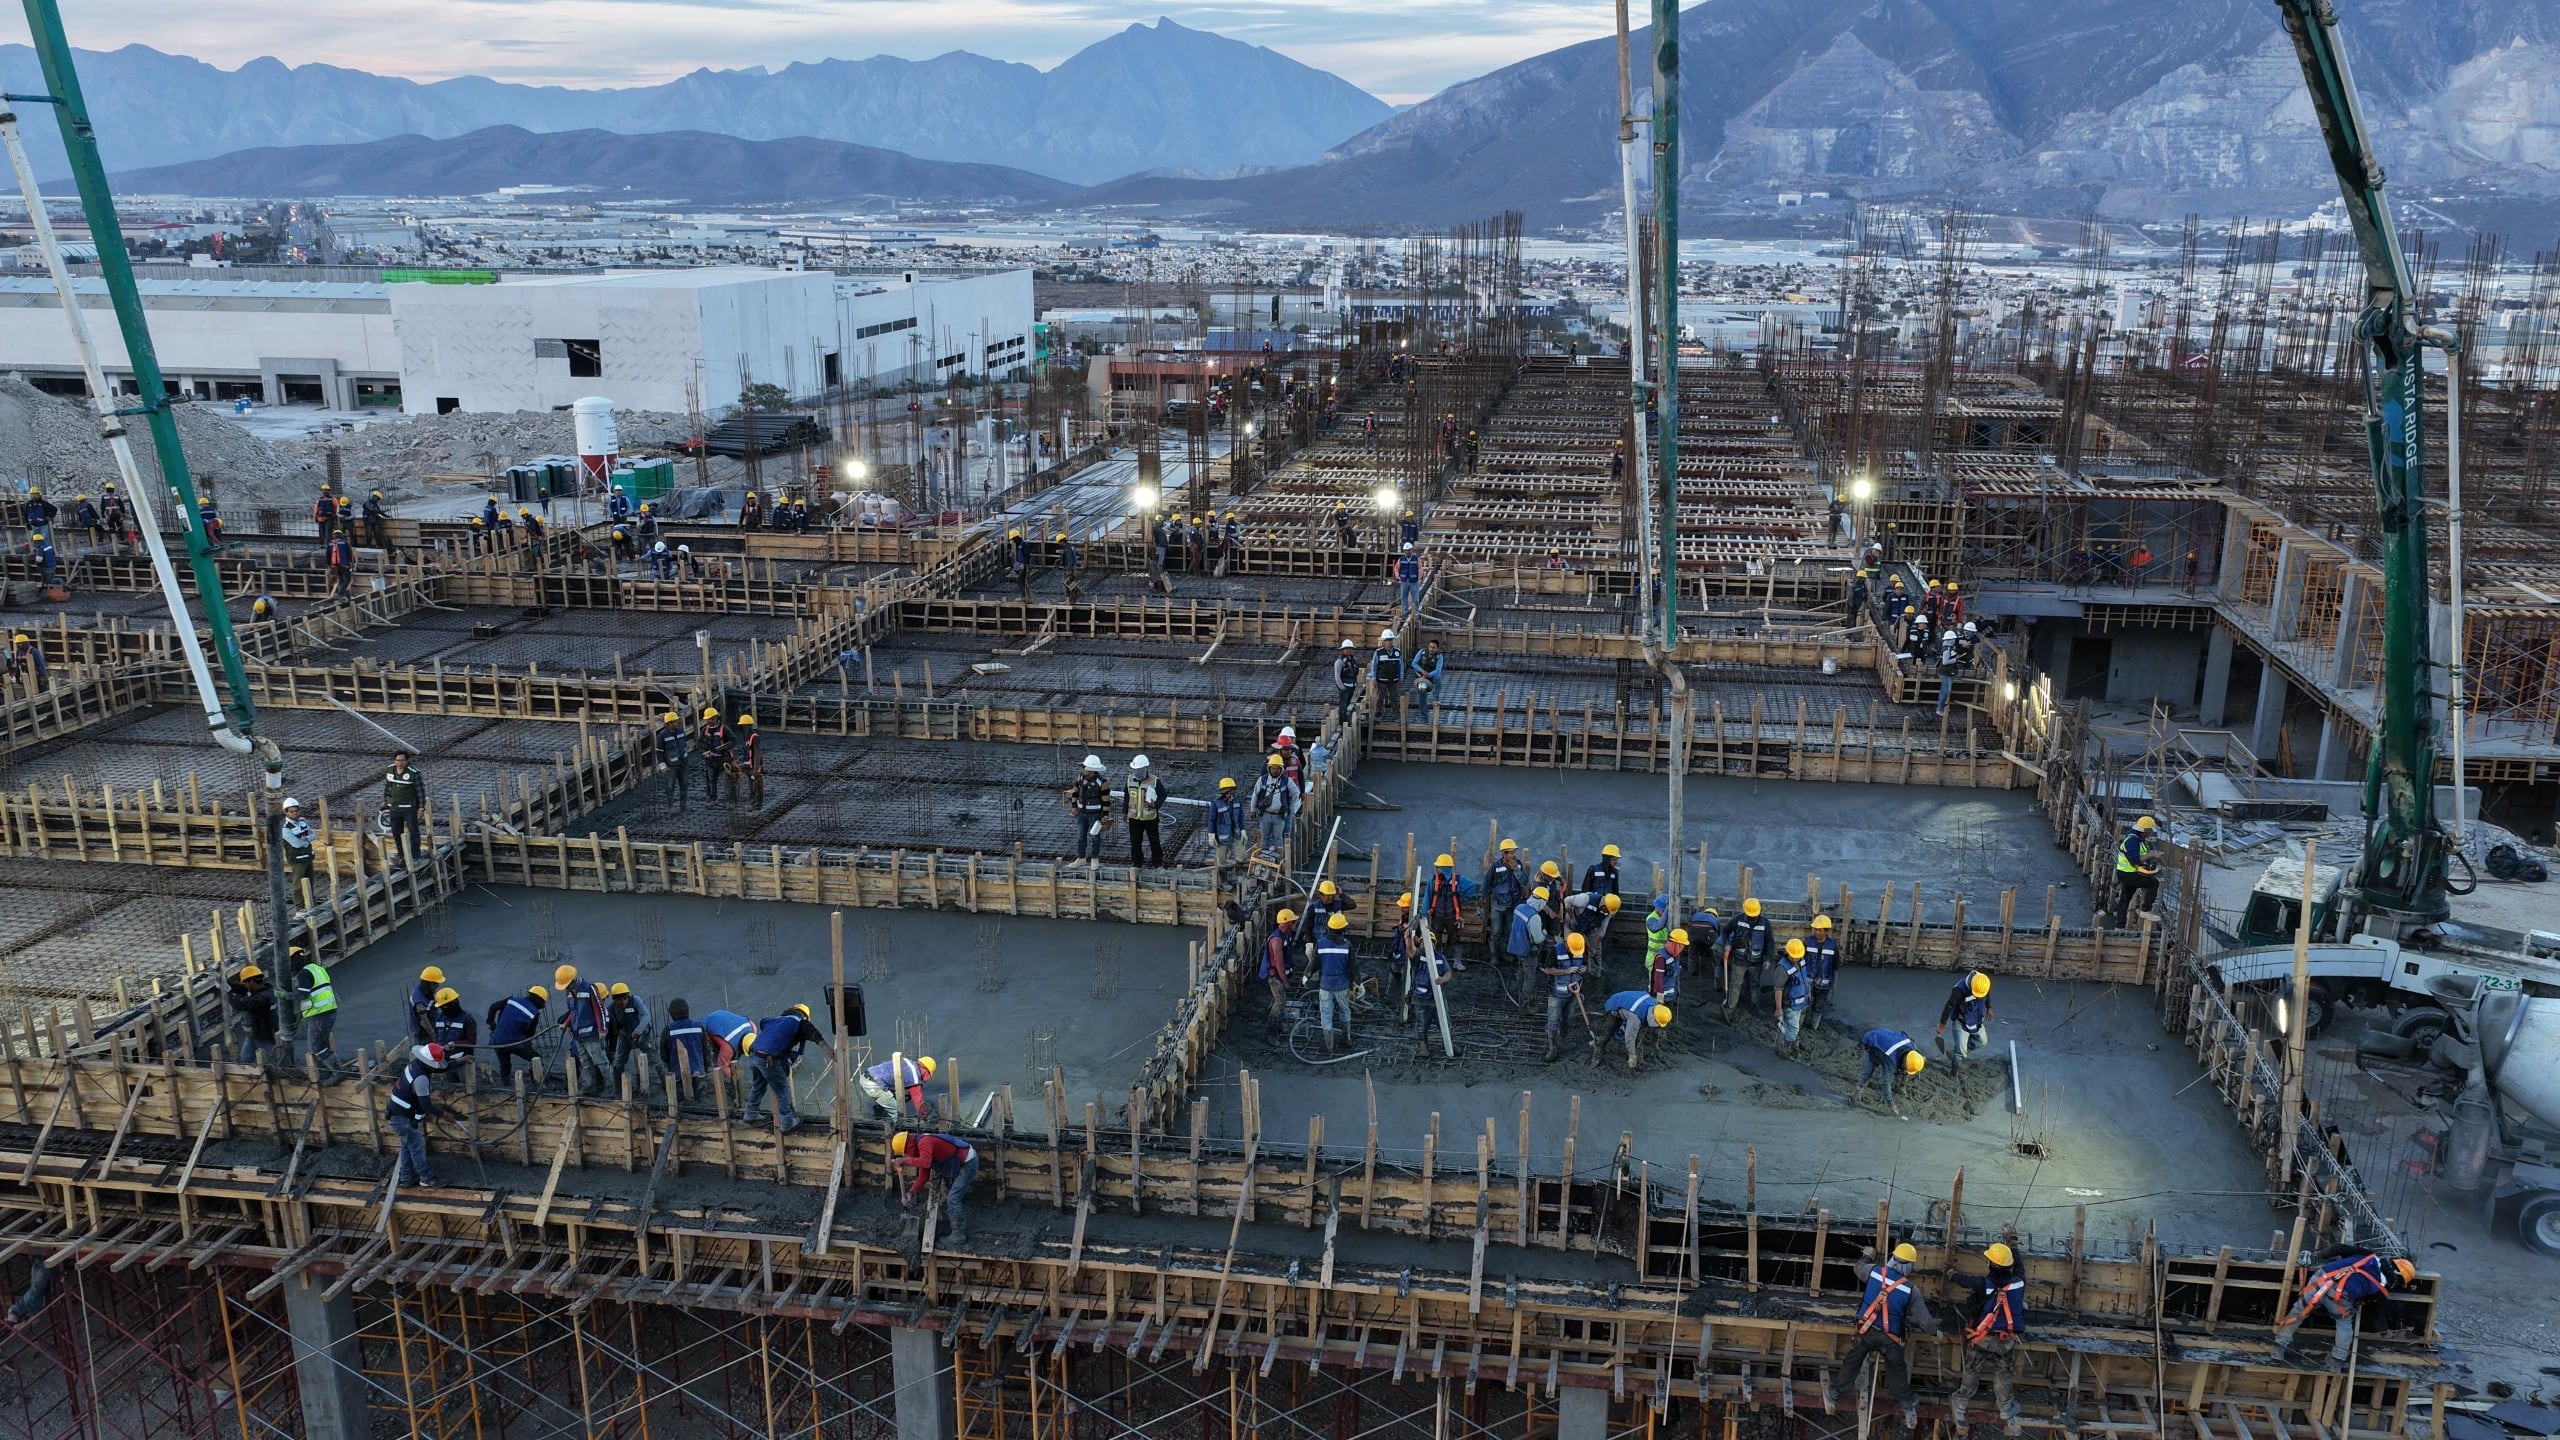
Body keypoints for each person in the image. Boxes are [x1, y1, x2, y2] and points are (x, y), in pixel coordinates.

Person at [1823, 1242, 1936, 1427]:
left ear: (1892, 1259)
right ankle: (1906, 1403)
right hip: (1889, 1338)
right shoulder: (1910, 1289)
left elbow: (1858, 1268)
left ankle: (1835, 1392)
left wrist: (1868, 1255)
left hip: (1865, 1331)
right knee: (1897, 1367)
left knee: (1852, 1361)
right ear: (1909, 1266)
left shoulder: (1874, 1272)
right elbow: (1925, 1321)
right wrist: (1935, 1332)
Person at [2274, 1250, 2416, 1367]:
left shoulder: (2369, 1255)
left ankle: (2278, 1347)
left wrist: (2323, 1254)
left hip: (2321, 1280)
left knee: (2299, 1311)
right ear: (2398, 1278)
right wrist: (2385, 1331)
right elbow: (2376, 1318)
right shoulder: (2382, 1289)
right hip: (2339, 1298)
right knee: (2344, 1326)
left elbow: (2340, 1248)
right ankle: (2336, 1360)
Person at [1952, 1242, 2027, 1435]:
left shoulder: (1984, 1285)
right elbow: (2019, 1267)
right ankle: (2005, 1408)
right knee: (2003, 1374)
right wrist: (2014, 1246)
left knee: (1972, 1370)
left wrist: (1951, 1274)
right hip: (2005, 1341)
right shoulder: (2019, 1282)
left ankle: (1960, 1404)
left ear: (1990, 1265)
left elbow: (1965, 1280)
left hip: (1983, 1339)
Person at [743, 1003, 834, 1132]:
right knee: (782, 1089)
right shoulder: (799, 1022)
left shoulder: (775, 1020)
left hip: (754, 1055)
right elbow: (812, 1032)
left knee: (758, 1085)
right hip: (768, 1059)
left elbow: (765, 1026)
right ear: (805, 1016)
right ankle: (787, 1122)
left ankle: (750, 1113)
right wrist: (827, 1048)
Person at [387, 1043, 459, 1190]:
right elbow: (426, 1105)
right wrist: (445, 1115)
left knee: (408, 1146)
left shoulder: (416, 1064)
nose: (437, 1068)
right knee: (416, 1148)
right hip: (403, 1118)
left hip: (397, 1113)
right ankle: (427, 1178)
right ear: (429, 1064)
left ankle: (406, 1178)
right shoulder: (421, 1079)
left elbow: (440, 1067)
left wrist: (459, 1061)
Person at [891, 1131, 979, 1243]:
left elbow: (926, 1162)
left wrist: (904, 1160)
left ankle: (958, 1235)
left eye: (906, 1152)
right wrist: (912, 1192)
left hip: (968, 1163)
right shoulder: (919, 1149)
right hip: (956, 1165)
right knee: (947, 1195)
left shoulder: (924, 1142)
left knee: (953, 1199)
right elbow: (924, 1174)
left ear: (908, 1144)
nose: (907, 1155)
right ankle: (948, 1227)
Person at [554, 965, 613, 1095]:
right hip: (578, 1035)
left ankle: (610, 1088)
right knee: (585, 1063)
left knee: (601, 1062)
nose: (567, 988)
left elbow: (599, 1009)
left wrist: (602, 1029)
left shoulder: (589, 988)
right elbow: (573, 1012)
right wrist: (565, 1023)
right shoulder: (569, 993)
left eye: (567, 985)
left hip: (591, 1034)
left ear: (573, 980)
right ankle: (589, 1087)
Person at [1310, 912, 1356, 1050]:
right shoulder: (1347, 945)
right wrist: (1357, 982)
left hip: (1325, 986)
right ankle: (1346, 1040)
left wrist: (1307, 975)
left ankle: (1328, 1045)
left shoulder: (1321, 944)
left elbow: (1314, 964)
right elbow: (1353, 966)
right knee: (1345, 1011)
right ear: (1343, 929)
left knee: (1326, 1014)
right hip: (1342, 985)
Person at [289, 945, 338, 1071]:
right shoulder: (317, 968)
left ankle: (337, 1070)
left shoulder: (303, 974)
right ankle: (327, 1071)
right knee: (322, 1043)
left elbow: (303, 994)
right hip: (328, 1009)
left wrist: (287, 995)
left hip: (320, 1013)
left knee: (316, 1046)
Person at [1541, 931, 1588, 1061]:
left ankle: (1562, 1039)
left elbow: (1584, 963)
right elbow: (1548, 969)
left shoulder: (1581, 948)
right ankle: (1552, 1048)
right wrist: (1565, 971)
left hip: (1573, 992)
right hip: (1557, 993)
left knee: (1568, 1017)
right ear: (1567, 944)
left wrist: (1584, 969)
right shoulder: (1555, 951)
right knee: (1553, 1020)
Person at [2108, 815, 2163, 926]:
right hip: (2128, 874)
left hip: (2128, 873)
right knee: (2153, 883)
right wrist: (2151, 855)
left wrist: (2150, 858)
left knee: (2126, 897)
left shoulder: (2138, 839)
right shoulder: (2132, 841)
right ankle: (2145, 910)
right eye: (2149, 831)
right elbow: (2135, 860)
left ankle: (2120, 924)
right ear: (2144, 831)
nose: (2150, 834)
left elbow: (2141, 856)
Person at [1857, 1029, 1927, 1116]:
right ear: (1905, 1060)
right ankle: (1857, 1093)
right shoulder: (1891, 1062)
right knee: (1868, 1071)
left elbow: (1913, 1058)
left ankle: (1899, 1087)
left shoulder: (1912, 1048)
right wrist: (1891, 1104)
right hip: (1871, 1041)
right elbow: (1885, 1083)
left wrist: (1921, 1059)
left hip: (1887, 1038)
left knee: (1904, 1069)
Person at [487, 985, 547, 1084]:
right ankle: (537, 1082)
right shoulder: (534, 1013)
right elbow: (529, 1036)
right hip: (514, 1043)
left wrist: (491, 1022)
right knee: (536, 1059)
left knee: (504, 1064)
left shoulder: (511, 1000)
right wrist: (529, 1049)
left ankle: (506, 1086)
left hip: (497, 1041)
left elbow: (493, 1007)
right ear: (539, 1001)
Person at [1598, 991, 1672, 1070]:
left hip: (1630, 1001)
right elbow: (1629, 1038)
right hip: (1615, 1003)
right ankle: (1598, 1050)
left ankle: (1639, 1059)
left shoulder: (1655, 1007)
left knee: (1638, 1033)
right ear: (1653, 1018)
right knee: (1607, 1033)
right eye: (1657, 1024)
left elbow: (1654, 1030)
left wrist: (1655, 1046)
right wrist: (1632, 1056)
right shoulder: (1635, 1018)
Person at [1482, 841, 1530, 961]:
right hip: (1498, 905)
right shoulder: (1495, 866)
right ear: (1504, 854)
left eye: (1514, 852)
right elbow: (1486, 882)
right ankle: (1494, 955)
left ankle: (1505, 952)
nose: (1514, 855)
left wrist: (1516, 870)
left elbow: (1524, 882)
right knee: (1496, 930)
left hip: (1513, 905)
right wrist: (1481, 898)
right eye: (1511, 853)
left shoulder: (1518, 865)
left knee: (1509, 930)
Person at [226, 964, 278, 1068]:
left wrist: (229, 995)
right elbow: (241, 989)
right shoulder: (260, 990)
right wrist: (227, 985)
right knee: (245, 1063)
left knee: (274, 1065)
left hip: (265, 1037)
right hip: (253, 1035)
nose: (245, 985)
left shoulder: (263, 997)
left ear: (252, 982)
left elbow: (242, 1005)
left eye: (245, 982)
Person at [1937, 971, 1994, 1065]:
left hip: (1976, 1020)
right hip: (1961, 1022)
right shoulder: (1960, 990)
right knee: (1960, 1051)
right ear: (1972, 986)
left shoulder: (1983, 983)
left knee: (1982, 1041)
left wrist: (1989, 1007)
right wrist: (1942, 1025)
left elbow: (1986, 994)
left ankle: (1957, 1052)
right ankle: (1953, 1074)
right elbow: (1949, 1005)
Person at [1505, 885, 1550, 1001]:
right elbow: (1537, 939)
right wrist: (1544, 933)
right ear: (1541, 902)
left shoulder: (1519, 907)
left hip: (1515, 946)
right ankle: (1524, 1005)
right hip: (1527, 950)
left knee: (1522, 968)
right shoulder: (1534, 917)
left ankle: (1516, 989)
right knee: (1530, 977)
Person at [1423, 855, 1467, 971]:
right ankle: (1437, 962)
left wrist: (1463, 898)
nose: (1437, 869)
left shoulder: (1457, 880)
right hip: (1437, 916)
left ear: (1444, 868)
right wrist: (1423, 913)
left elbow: (1471, 886)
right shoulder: (1433, 880)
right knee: (1436, 939)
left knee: (1455, 939)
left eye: (1438, 867)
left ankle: (1457, 962)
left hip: (1452, 916)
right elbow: (1427, 897)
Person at [381, 750, 425, 866]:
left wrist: (421, 807)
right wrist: (385, 800)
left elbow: (420, 791)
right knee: (396, 832)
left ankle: (415, 855)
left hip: (409, 808)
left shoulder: (413, 773)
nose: (399, 763)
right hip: (394, 808)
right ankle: (401, 854)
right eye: (397, 760)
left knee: (413, 831)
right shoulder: (390, 770)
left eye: (402, 760)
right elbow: (388, 786)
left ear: (407, 761)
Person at [862, 1053, 936, 1120]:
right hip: (873, 1084)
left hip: (866, 1076)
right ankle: (897, 1129)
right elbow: (918, 1101)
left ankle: (878, 1118)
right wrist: (925, 1116)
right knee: (896, 1110)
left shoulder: (908, 1063)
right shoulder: (915, 1077)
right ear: (927, 1072)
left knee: (888, 1099)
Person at [1066, 754, 1111, 861]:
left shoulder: (1102, 783)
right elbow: (1075, 792)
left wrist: (1105, 816)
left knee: (1095, 837)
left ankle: (1094, 859)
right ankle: (1081, 858)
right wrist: (1074, 806)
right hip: (1082, 813)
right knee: (1081, 837)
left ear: (1092, 770)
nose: (1083, 769)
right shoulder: (1081, 777)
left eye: (1086, 768)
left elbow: (1106, 801)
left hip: (1095, 815)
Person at [1249, 756, 1296, 855]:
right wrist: (1253, 810)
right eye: (1273, 768)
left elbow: (1296, 793)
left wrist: (1289, 806)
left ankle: (1278, 859)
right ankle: (1265, 857)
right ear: (1269, 768)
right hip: (1265, 814)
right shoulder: (1262, 780)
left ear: (1281, 769)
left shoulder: (1286, 781)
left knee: (1278, 838)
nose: (1275, 771)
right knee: (1265, 837)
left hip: (1279, 815)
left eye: (1277, 768)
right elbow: (1255, 795)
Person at [1124, 754, 1166, 867]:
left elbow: (1163, 795)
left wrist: (1156, 805)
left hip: (1150, 817)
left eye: (1138, 769)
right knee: (1135, 842)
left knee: (1154, 841)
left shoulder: (1154, 781)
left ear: (1144, 768)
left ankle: (1157, 863)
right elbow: (1126, 796)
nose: (1135, 771)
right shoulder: (1129, 780)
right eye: (1134, 769)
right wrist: (1124, 812)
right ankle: (1137, 863)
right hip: (1134, 817)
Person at [1774, 940, 1813, 1058]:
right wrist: (1779, 1009)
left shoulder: (1801, 960)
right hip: (1790, 1005)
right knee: (1792, 1028)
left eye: (1798, 956)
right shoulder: (1782, 968)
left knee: (1795, 1027)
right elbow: (1778, 989)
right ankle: (1786, 1050)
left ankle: (1792, 1043)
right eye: (1793, 957)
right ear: (1787, 953)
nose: (1795, 959)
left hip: (1801, 1002)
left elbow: (1803, 979)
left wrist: (1808, 994)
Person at [604, 981, 650, 1080]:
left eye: (625, 998)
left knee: (653, 1058)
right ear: (614, 1000)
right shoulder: (611, 1009)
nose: (623, 1002)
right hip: (624, 1036)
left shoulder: (635, 1001)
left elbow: (646, 1016)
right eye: (620, 1000)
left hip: (640, 1034)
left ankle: (662, 1082)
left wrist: (638, 1030)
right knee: (619, 1062)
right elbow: (609, 1027)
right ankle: (618, 1088)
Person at [1263, 909, 1300, 1022]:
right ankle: (1271, 1029)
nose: (1295, 924)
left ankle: (1279, 1022)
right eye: (1293, 922)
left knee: (1279, 999)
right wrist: (1284, 979)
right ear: (1288, 923)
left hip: (1280, 975)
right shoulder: (1277, 940)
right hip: (1276, 977)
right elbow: (1278, 961)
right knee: (1280, 1003)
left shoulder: (1285, 935)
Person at [427, 987, 477, 1071]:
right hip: (444, 1061)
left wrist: (455, 1044)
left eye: (443, 1007)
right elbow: (436, 1038)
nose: (442, 1009)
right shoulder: (439, 1018)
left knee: (464, 1082)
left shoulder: (467, 1019)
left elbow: (472, 1042)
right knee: (449, 1083)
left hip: (463, 1062)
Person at [278, 797, 314, 900]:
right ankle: (300, 907)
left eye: (296, 810)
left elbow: (314, 836)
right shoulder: (285, 828)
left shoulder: (303, 823)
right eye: (291, 811)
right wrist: (306, 839)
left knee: (310, 881)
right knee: (298, 883)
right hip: (297, 859)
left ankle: (311, 902)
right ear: (286, 812)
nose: (294, 813)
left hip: (308, 856)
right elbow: (296, 844)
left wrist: (305, 838)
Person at [1206, 777, 1246, 869]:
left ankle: (1236, 870)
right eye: (1227, 793)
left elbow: (1240, 817)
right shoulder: (1216, 804)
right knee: (1222, 862)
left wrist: (1243, 831)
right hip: (1222, 838)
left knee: (1242, 857)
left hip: (1235, 835)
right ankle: (1223, 879)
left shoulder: (1237, 802)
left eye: (1230, 792)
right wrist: (1211, 835)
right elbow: (1211, 820)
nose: (1229, 795)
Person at [696, 709, 733, 806]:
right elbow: (699, 742)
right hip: (711, 760)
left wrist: (722, 748)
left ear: (716, 718)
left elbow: (733, 741)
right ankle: (713, 799)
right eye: (707, 719)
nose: (709, 721)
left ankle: (729, 801)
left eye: (711, 719)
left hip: (723, 759)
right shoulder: (705, 730)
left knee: (727, 781)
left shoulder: (724, 729)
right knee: (711, 781)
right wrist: (705, 750)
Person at [1805, 915, 1840, 1017]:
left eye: (1820, 930)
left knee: (1818, 1006)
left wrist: (1834, 984)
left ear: (1826, 931)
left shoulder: (1832, 945)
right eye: (1816, 929)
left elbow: (1836, 966)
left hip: (1824, 983)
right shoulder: (1808, 942)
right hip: (1808, 980)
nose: (1817, 932)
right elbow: (1801, 960)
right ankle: (1800, 1024)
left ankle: (1814, 1026)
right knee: (1803, 1003)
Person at [654, 712, 690, 814]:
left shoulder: (681, 732)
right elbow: (659, 752)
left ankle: (683, 806)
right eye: (675, 721)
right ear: (669, 723)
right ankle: (671, 807)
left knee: (684, 784)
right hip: (671, 766)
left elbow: (685, 745)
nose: (677, 722)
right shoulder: (662, 736)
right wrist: (662, 764)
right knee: (670, 786)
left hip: (683, 764)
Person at [408, 965, 447, 1043]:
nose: (438, 986)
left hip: (432, 1019)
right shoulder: (420, 1003)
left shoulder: (425, 989)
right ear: (429, 984)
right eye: (436, 984)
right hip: (424, 1033)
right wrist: (435, 1038)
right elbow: (425, 1024)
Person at [734, 714, 765, 810]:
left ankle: (758, 803)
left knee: (757, 784)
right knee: (751, 784)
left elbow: (757, 752)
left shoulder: (754, 737)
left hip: (754, 767)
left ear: (747, 726)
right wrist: (740, 763)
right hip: (748, 766)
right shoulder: (746, 737)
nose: (742, 728)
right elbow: (746, 751)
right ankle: (753, 800)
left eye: (743, 726)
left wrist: (756, 768)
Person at [1410, 639, 1446, 718]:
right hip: (1420, 676)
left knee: (1438, 678)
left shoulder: (1439, 657)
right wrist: (1422, 671)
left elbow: (1438, 670)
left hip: (1431, 676)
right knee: (1422, 693)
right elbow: (1414, 663)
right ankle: (1424, 715)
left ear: (1437, 649)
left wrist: (1428, 675)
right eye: (1430, 647)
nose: (1431, 649)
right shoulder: (1422, 652)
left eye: (1433, 648)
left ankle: (1435, 697)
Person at [1651, 927, 1688, 1001]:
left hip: (1670, 997)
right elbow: (1658, 980)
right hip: (1663, 999)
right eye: (1681, 946)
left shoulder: (1673, 956)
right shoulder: (1661, 958)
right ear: (1674, 944)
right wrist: (1659, 999)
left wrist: (1677, 990)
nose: (1682, 949)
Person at [1370, 629, 1402, 707]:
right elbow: (1374, 666)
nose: (1390, 642)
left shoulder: (1397, 652)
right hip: (1382, 680)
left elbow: (1401, 665)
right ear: (1384, 641)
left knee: (1394, 697)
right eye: (1388, 640)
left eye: (1391, 640)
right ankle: (1378, 713)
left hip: (1393, 680)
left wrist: (1401, 677)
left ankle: (1395, 714)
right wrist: (1373, 678)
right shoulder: (1378, 652)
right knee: (1380, 697)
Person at [1332, 639, 1360, 718]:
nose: (1348, 650)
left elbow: (1355, 673)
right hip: (1344, 686)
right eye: (1346, 649)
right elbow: (1337, 676)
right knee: (1343, 704)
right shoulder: (1339, 662)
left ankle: (1345, 717)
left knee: (1347, 703)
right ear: (1343, 650)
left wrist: (1355, 683)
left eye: (1350, 648)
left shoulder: (1353, 660)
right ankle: (1342, 720)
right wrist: (1342, 687)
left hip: (1352, 686)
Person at [1396, 542, 1422, 613]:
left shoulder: (1416, 559)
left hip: (1414, 581)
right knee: (1403, 597)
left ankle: (1416, 611)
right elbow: (1397, 568)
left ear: (1411, 550)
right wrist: (1398, 577)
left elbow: (1420, 569)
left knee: (1415, 598)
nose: (1407, 552)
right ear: (1404, 551)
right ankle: (1405, 611)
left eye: (1409, 550)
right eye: (1406, 550)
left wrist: (1419, 578)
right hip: (1404, 581)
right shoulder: (1401, 559)